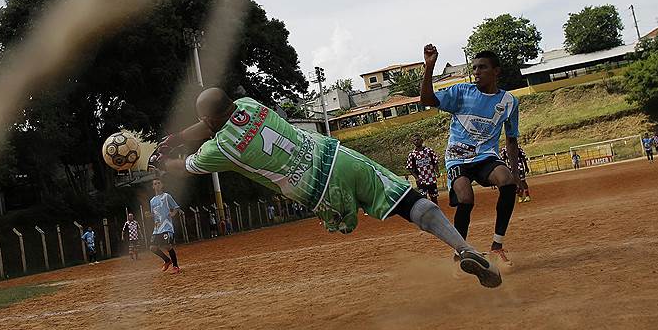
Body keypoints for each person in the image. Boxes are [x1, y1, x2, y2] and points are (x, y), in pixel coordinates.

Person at [150, 87, 502, 288]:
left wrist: (162, 160)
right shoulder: (248, 105)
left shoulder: (221, 148)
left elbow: (191, 164)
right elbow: (213, 119)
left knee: (345, 222)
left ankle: (459, 249)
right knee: (408, 201)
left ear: (210, 122)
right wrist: (176, 137)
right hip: (335, 155)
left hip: (317, 189)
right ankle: (464, 247)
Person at [420, 45, 521, 266]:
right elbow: (427, 100)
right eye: (474, 67)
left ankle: (497, 246)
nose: (476, 71)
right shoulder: (461, 92)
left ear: (496, 71)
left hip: (485, 157)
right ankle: (460, 254)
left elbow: (511, 139)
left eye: (482, 67)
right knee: (466, 198)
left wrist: (517, 174)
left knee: (506, 180)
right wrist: (429, 67)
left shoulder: (509, 102)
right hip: (457, 157)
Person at [149, 177, 182, 274]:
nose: (157, 185)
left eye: (158, 183)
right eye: (155, 184)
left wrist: (173, 213)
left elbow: (176, 207)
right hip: (157, 228)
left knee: (167, 245)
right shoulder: (152, 201)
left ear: (162, 185)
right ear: (153, 187)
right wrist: (149, 215)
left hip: (167, 226)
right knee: (152, 248)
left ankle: (175, 266)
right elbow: (154, 214)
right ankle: (167, 260)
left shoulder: (167, 196)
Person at [405, 135, 440, 204]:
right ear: (413, 142)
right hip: (421, 180)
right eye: (414, 140)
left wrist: (437, 172)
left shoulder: (429, 151)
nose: (416, 141)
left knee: (434, 198)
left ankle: (436, 212)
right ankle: (427, 213)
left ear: (422, 140)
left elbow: (435, 162)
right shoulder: (412, 154)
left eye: (418, 139)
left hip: (431, 178)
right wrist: (417, 178)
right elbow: (410, 167)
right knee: (424, 198)